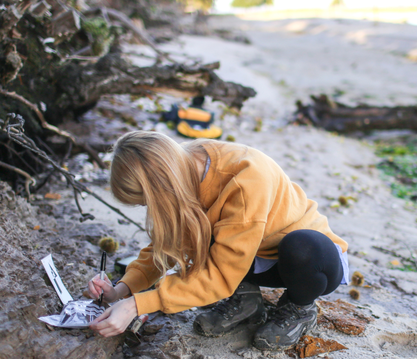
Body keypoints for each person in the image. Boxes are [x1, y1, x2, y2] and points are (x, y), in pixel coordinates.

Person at [87, 131, 349, 350]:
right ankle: (246, 299)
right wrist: (121, 290)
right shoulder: (180, 168)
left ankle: (300, 308)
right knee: (199, 226)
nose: (150, 210)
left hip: (310, 262)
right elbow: (165, 245)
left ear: (161, 188)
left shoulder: (245, 180)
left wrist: (135, 306)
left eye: (147, 202)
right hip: (249, 254)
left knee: (301, 248)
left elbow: (220, 277)